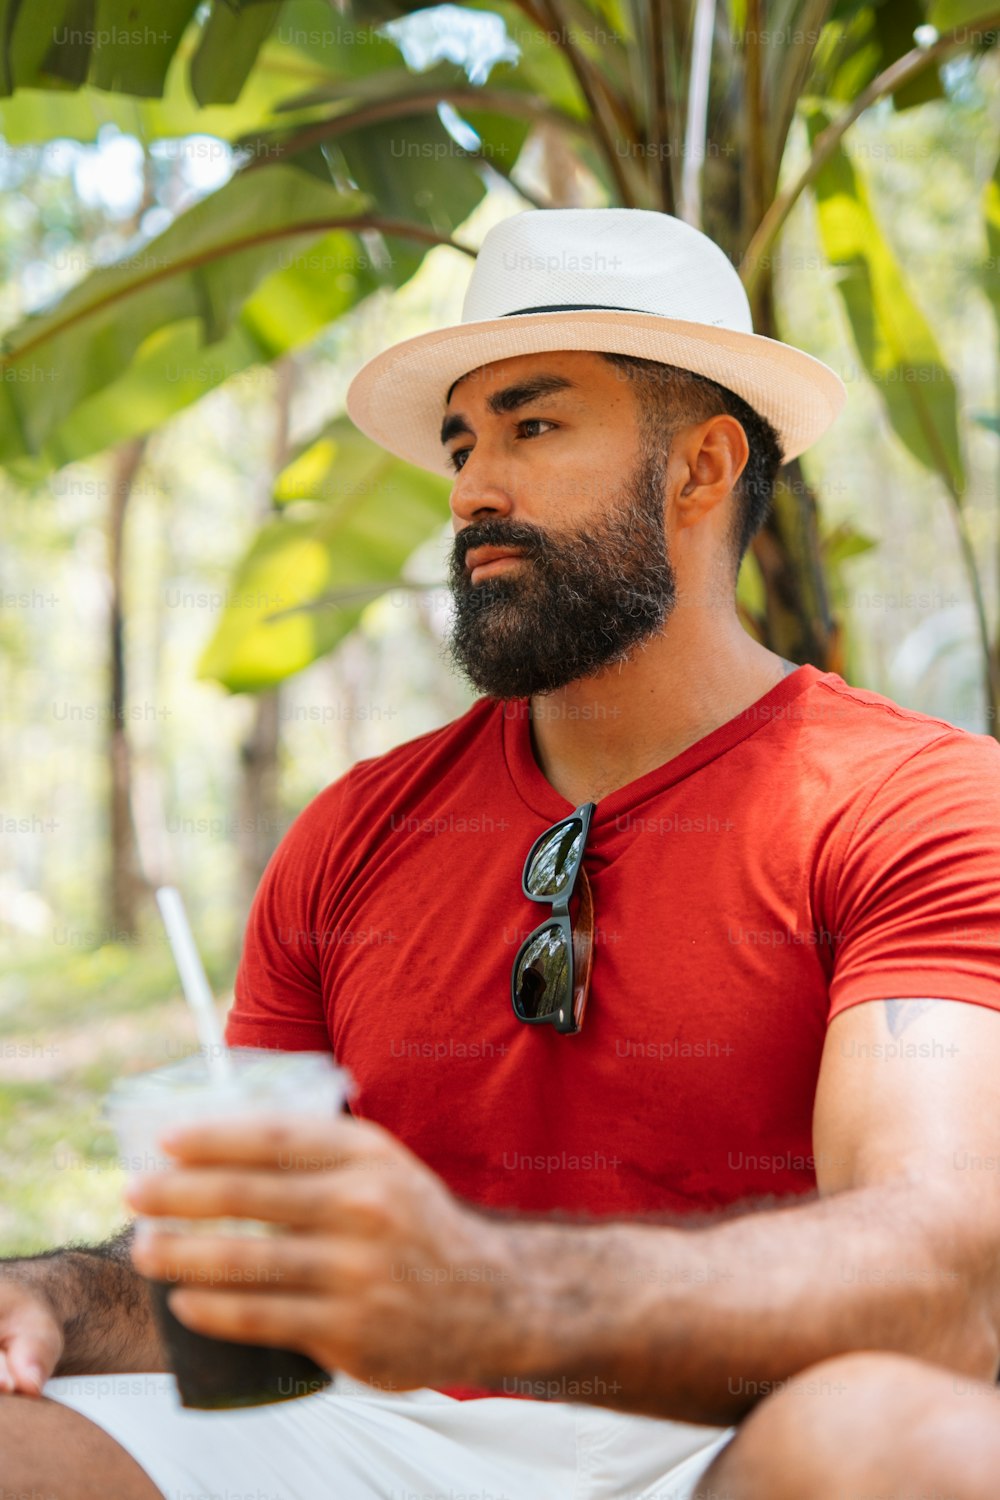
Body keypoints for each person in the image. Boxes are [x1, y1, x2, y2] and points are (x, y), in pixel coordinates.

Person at [3, 207, 999, 1500]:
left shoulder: (919, 800)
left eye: (534, 428)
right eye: (464, 442)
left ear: (701, 469)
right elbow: (258, 1267)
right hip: (370, 1434)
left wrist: (494, 1296)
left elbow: (950, 1278)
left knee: (910, 1446)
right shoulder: (352, 832)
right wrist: (63, 1297)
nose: (472, 486)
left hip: (731, 1435)